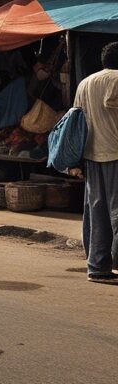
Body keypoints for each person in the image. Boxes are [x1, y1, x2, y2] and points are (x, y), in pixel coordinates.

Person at [73, 44, 118, 284]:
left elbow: (77, 118)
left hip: (91, 154)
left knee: (96, 212)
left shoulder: (85, 83)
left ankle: (97, 266)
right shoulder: (117, 79)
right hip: (114, 153)